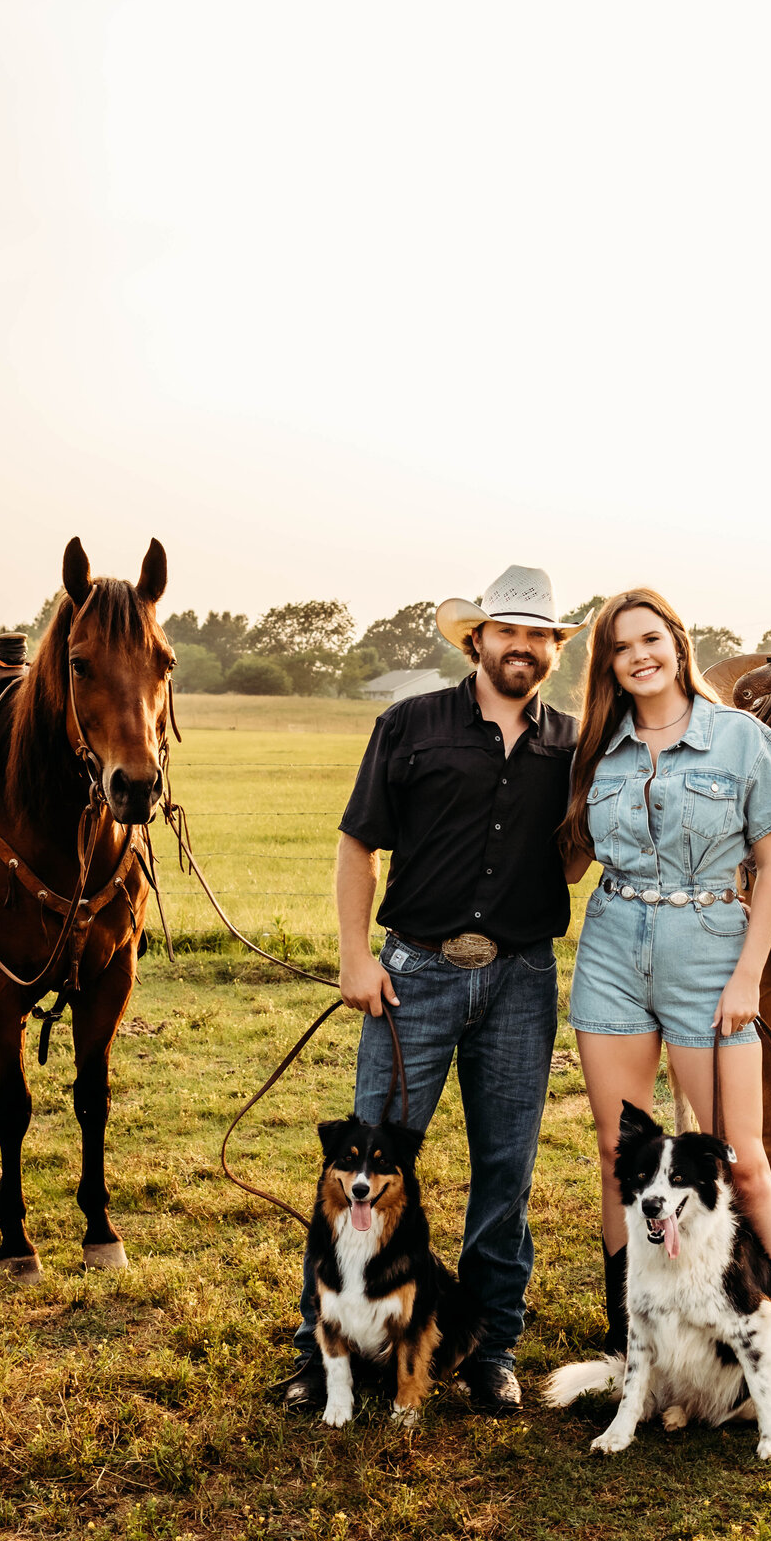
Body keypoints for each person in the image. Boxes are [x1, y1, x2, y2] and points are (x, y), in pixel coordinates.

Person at [280, 566, 586, 1414]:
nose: (522, 647)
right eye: (507, 632)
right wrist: (355, 955)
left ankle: (489, 1346)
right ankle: (322, 1343)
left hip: (522, 978)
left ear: (554, 651)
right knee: (360, 1167)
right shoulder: (410, 723)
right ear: (477, 640)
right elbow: (357, 845)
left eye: (539, 636)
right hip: (411, 975)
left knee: (505, 1170)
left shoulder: (571, 743)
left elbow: (575, 851)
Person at [560, 588, 771, 1438]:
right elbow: (566, 862)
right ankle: (635, 1351)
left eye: (650, 638)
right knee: (619, 1154)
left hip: (712, 950)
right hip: (612, 948)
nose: (638, 655)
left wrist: (749, 973)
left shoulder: (742, 738)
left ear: (676, 643)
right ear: (606, 664)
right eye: (619, 646)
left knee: (742, 1161)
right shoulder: (595, 749)